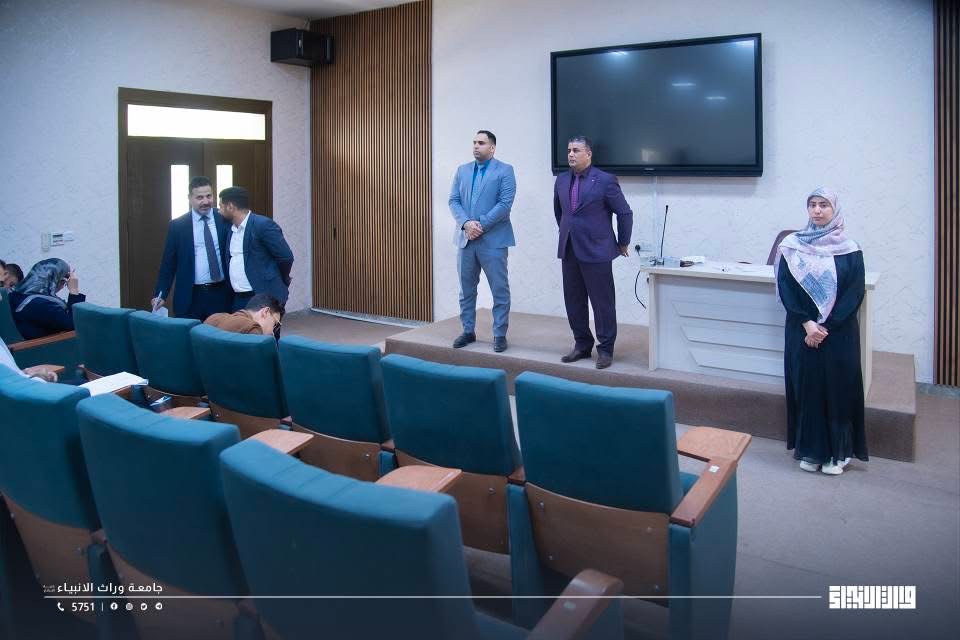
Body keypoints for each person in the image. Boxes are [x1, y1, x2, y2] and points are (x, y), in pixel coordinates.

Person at [775, 187, 867, 476]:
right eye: (812, 204)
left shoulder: (850, 248)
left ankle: (838, 454)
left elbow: (854, 292)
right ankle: (811, 450)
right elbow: (786, 287)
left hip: (838, 334)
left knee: (838, 389)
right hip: (802, 331)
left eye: (823, 205)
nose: (817, 210)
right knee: (808, 388)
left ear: (834, 210)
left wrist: (826, 326)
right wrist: (807, 323)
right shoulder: (792, 246)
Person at [553, 135, 633, 369]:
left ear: (588, 154)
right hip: (569, 248)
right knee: (573, 300)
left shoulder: (605, 180)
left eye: (576, 150)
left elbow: (624, 213)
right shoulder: (561, 180)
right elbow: (560, 213)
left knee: (602, 303)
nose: (570, 154)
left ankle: (606, 349)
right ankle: (582, 344)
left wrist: (623, 243)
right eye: (569, 150)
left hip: (597, 250)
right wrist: (568, 233)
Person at [448, 130, 517, 352]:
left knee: (500, 290)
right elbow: (454, 200)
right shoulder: (462, 170)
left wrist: (480, 225)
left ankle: (499, 335)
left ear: (492, 148)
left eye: (481, 143)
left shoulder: (505, 170)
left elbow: (505, 204)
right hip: (466, 240)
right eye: (474, 142)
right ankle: (468, 331)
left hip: (493, 241)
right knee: (466, 290)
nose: (476, 146)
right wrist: (466, 223)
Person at [152, 176, 231, 321]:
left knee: (220, 334)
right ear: (190, 198)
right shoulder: (177, 226)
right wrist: (160, 294)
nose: (205, 201)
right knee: (189, 334)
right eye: (199, 197)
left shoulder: (225, 219)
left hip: (221, 294)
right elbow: (168, 264)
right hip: (191, 296)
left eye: (209, 196)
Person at [219, 186, 294, 324]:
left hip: (262, 296)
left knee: (266, 335)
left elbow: (286, 257)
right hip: (238, 298)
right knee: (241, 334)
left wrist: (278, 278)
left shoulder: (263, 225)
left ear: (230, 206)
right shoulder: (231, 229)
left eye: (221, 206)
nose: (219, 210)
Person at [7, 258, 85, 340]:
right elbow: (75, 325)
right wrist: (74, 290)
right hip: (45, 346)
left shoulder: (20, 297)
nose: (62, 287)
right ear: (54, 279)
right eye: (63, 282)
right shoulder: (38, 304)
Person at [204, 293, 283, 336]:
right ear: (265, 312)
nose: (272, 333)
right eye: (275, 324)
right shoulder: (252, 329)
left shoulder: (213, 318)